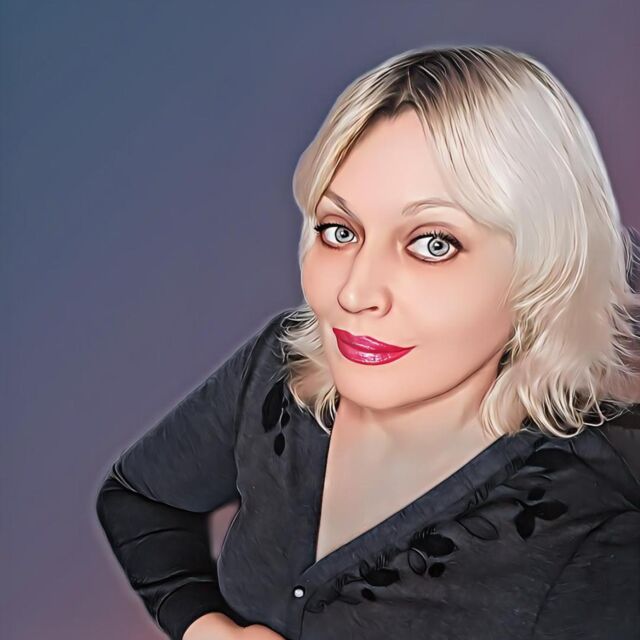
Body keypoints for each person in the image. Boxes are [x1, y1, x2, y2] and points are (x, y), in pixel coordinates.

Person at [95, 45, 640, 640]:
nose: (354, 293)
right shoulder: (282, 366)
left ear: (546, 267)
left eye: (433, 244)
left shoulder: (598, 529)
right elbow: (138, 498)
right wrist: (205, 629)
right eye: (339, 230)